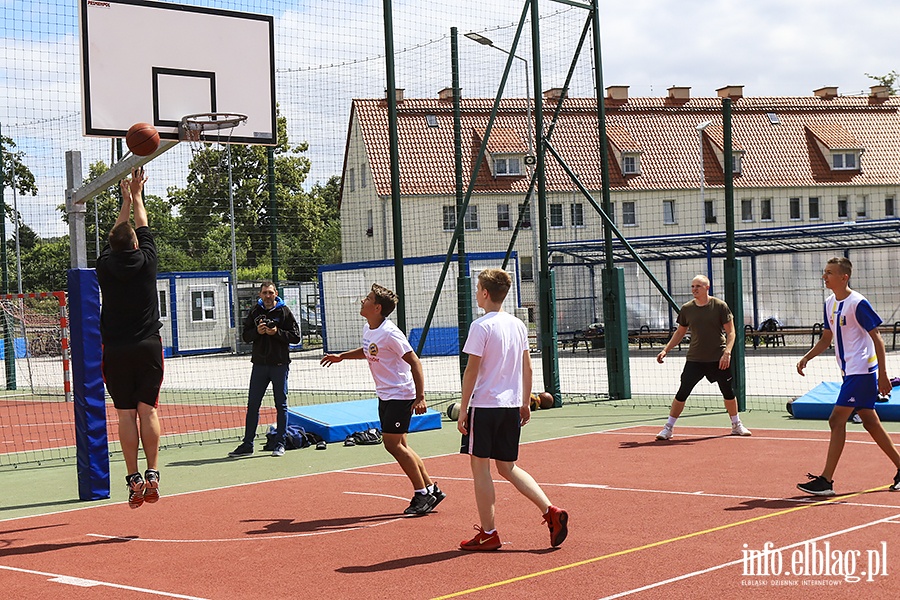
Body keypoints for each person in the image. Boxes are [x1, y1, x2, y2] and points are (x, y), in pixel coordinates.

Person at [457, 268, 568, 551]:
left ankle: (489, 533)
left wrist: (464, 407)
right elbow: (527, 366)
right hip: (509, 406)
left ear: (484, 292)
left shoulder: (481, 326)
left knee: (479, 466)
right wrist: (525, 401)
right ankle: (550, 510)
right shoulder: (517, 325)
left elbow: (472, 370)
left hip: (485, 405)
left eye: (478, 288)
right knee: (507, 466)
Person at [320, 284, 445, 516]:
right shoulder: (370, 328)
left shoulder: (391, 332)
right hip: (386, 395)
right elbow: (369, 350)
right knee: (402, 445)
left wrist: (420, 397)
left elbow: (415, 361)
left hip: (400, 395)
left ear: (377, 307)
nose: (362, 301)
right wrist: (342, 357)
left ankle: (422, 494)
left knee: (392, 444)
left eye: (367, 299)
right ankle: (430, 488)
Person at [795, 257, 900, 496]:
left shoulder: (858, 303)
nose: (825, 277)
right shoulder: (829, 303)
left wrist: (882, 375)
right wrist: (807, 357)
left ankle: (826, 480)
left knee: (836, 419)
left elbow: (878, 339)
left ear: (844, 277)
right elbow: (826, 339)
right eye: (824, 272)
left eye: (829, 273)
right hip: (849, 373)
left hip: (862, 371)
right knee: (870, 422)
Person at [96, 167, 164, 509]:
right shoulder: (147, 260)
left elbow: (119, 233)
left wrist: (123, 199)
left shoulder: (104, 265)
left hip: (116, 350)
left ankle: (133, 477)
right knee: (147, 410)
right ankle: (153, 473)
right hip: (148, 346)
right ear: (137, 245)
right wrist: (136, 195)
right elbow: (141, 226)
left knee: (125, 414)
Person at [655, 274, 751, 440]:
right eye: (692, 286)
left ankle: (736, 424)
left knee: (728, 391)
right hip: (695, 359)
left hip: (718, 358)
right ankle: (668, 428)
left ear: (707, 287)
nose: (694, 289)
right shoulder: (687, 309)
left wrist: (727, 352)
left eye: (698, 286)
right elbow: (680, 332)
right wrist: (665, 350)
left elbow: (731, 332)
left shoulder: (720, 306)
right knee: (682, 392)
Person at [229, 282, 301, 458]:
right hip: (259, 366)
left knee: (281, 405)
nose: (268, 296)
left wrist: (276, 332)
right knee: (253, 405)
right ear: (260, 295)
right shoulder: (255, 311)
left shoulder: (284, 312)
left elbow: (296, 337)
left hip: (279, 365)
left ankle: (280, 443)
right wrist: (257, 332)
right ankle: (247, 444)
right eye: (264, 293)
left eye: (270, 293)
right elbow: (245, 336)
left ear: (276, 293)